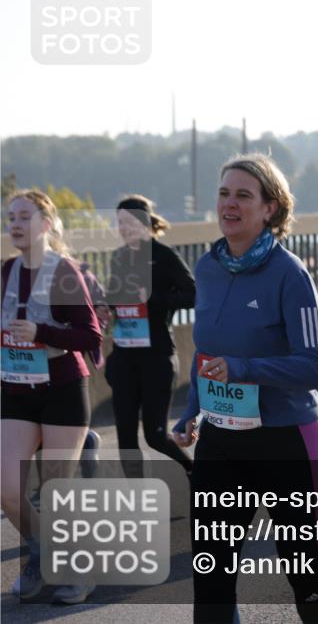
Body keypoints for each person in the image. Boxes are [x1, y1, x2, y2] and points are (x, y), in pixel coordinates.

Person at [171, 154, 318, 623]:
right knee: (211, 577)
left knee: (303, 570)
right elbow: (206, 354)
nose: (230, 204)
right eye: (224, 194)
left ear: (270, 208)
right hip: (222, 439)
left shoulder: (290, 273)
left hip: (288, 439)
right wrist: (190, 412)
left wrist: (244, 367)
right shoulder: (206, 267)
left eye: (244, 195)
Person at [2, 190, 103, 604]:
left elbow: (90, 334)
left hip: (62, 389)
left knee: (58, 490)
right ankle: (41, 554)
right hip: (15, 390)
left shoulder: (63, 271)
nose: (15, 223)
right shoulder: (5, 271)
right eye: (10, 217)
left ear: (46, 223)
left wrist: (41, 332)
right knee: (8, 489)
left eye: (24, 216)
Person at [105, 195, 196, 478]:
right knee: (126, 439)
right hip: (124, 355)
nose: (124, 228)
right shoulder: (119, 257)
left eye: (130, 222)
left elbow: (193, 294)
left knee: (155, 435)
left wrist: (155, 299)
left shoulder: (164, 256)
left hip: (156, 356)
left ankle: (194, 471)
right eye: (120, 223)